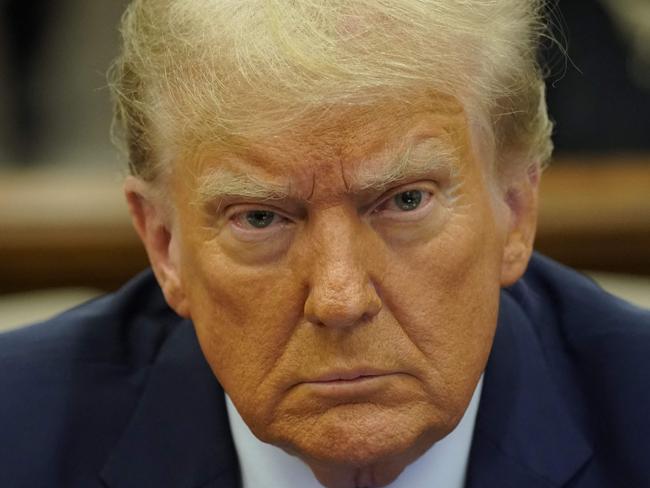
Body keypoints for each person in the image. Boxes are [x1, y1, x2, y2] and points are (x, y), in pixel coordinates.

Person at [1, 1, 649, 487]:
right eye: (259, 219)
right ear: (164, 244)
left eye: (404, 201)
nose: (339, 297)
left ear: (515, 210)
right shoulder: (20, 432)